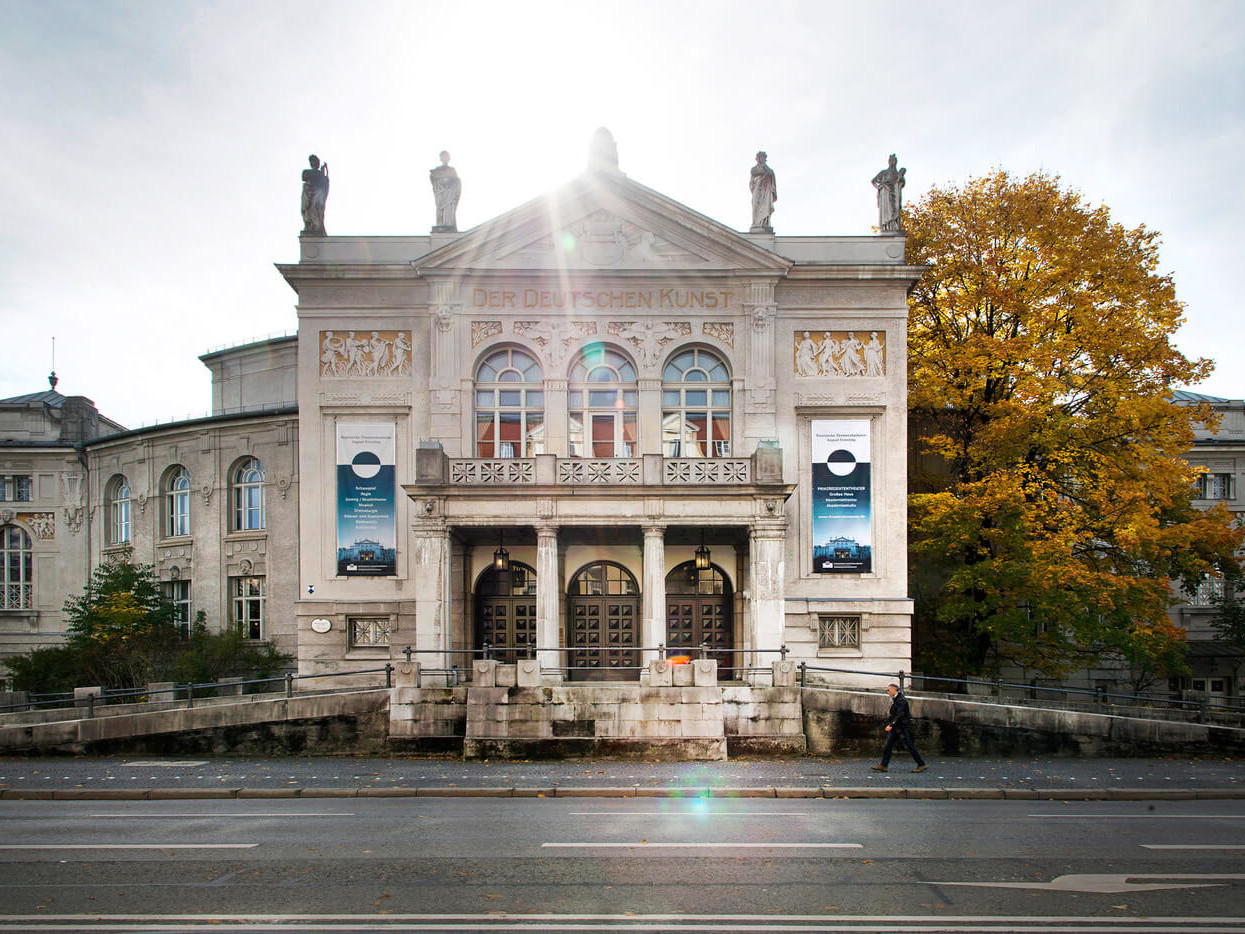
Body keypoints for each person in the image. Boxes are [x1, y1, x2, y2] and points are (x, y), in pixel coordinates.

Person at [871, 682, 927, 772]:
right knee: (888, 745)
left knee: (909, 745)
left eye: (888, 690)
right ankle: (884, 765)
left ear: (894, 690)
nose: (887, 692)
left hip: (902, 726)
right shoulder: (896, 698)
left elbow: (900, 714)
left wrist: (891, 725)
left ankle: (921, 764)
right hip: (897, 726)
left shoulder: (901, 700)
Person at [871, 154, 905, 234]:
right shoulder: (884, 172)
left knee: (894, 208)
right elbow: (873, 181)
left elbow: (901, 183)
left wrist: (901, 179)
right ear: (889, 162)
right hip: (885, 192)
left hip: (894, 193)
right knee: (887, 210)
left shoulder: (897, 174)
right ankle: (886, 226)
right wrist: (879, 187)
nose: (893, 162)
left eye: (894, 160)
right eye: (891, 160)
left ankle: (893, 225)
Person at [430, 151, 461, 231]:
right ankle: (440, 224)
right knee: (440, 208)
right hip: (440, 192)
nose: (445, 158)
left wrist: (451, 185)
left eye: (446, 156)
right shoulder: (437, 170)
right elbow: (432, 179)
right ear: (440, 158)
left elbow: (457, 181)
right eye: (443, 156)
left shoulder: (452, 170)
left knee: (448, 207)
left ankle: (448, 224)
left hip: (449, 192)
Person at [301, 154, 329, 236]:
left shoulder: (320, 174)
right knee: (309, 210)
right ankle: (310, 226)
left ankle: (317, 226)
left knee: (317, 206)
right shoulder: (307, 172)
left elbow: (325, 183)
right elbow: (304, 177)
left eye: (317, 162)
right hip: (308, 193)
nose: (316, 164)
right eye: (314, 162)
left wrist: (325, 173)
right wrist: (320, 173)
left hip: (317, 193)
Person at [749, 151, 777, 232]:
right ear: (757, 159)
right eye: (759, 158)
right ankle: (756, 223)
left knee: (766, 206)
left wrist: (765, 167)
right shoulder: (754, 169)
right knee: (755, 206)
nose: (761, 159)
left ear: (765, 159)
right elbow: (756, 173)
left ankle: (765, 223)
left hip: (766, 190)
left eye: (763, 158)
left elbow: (770, 174)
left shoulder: (769, 170)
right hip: (757, 190)